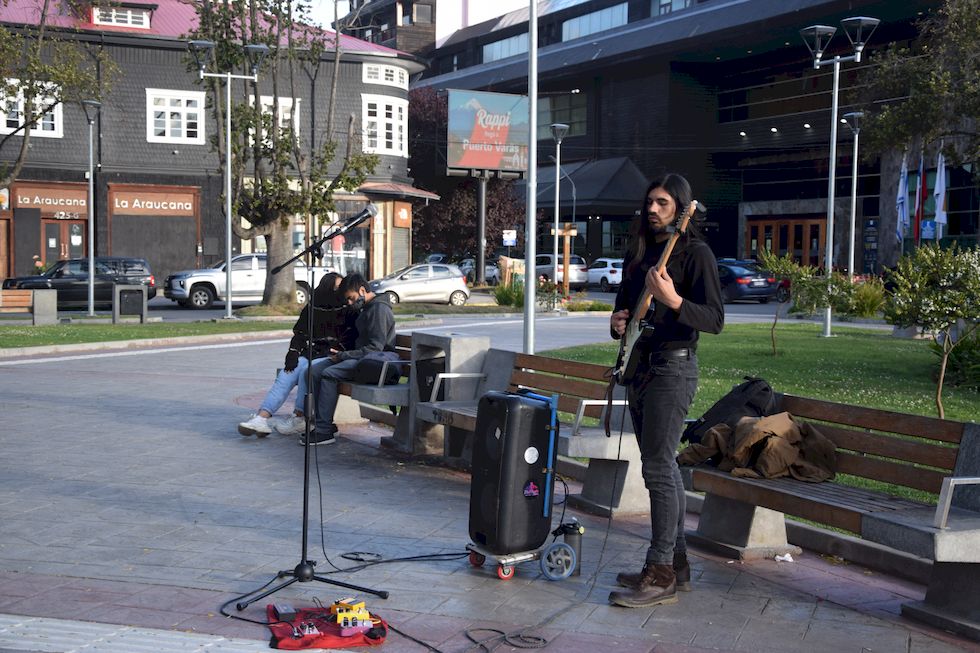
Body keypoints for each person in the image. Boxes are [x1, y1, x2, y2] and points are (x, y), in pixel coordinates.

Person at [607, 173, 724, 608]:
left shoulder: (696, 254)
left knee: (657, 469)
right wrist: (616, 322)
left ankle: (659, 573)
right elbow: (623, 307)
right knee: (662, 468)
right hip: (640, 368)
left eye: (663, 203)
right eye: (650, 202)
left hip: (673, 370)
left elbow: (714, 319)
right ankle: (677, 564)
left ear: (682, 208)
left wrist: (674, 301)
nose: (653, 209)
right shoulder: (639, 254)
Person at [238, 272, 355, 437]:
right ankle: (261, 418)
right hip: (311, 353)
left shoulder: (348, 309)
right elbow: (300, 334)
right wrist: (293, 353)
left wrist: (335, 349)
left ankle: (300, 418)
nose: (341, 291)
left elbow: (350, 338)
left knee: (306, 372)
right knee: (287, 374)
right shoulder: (313, 308)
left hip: (332, 356)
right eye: (337, 287)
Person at [304, 273, 396, 446]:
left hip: (375, 362)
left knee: (329, 373)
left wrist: (344, 356)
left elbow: (375, 348)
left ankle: (324, 431)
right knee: (313, 371)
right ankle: (323, 425)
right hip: (361, 357)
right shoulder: (368, 308)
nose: (350, 303)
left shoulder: (379, 310)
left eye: (351, 299)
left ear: (362, 290)